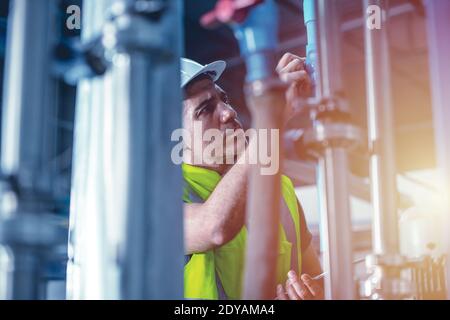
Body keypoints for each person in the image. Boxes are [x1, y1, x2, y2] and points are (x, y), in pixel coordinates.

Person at [181, 52, 323, 300]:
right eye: (205, 109)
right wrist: (272, 116)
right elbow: (215, 227)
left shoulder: (280, 186)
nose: (227, 112)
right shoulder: (161, 199)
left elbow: (318, 281)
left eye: (224, 99)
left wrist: (311, 294)